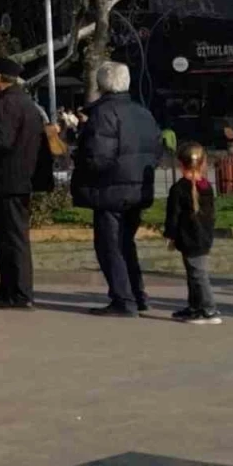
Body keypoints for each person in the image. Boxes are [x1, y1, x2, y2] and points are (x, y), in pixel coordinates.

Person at [71, 61, 161, 318]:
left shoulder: (103, 114)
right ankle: (137, 294)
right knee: (125, 243)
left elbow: (98, 157)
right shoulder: (142, 112)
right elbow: (156, 150)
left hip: (110, 189)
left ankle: (123, 298)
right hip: (137, 187)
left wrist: (81, 160)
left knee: (110, 246)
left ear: (102, 84)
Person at [0, 58, 45, 310]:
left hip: (7, 180)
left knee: (11, 238)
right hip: (21, 179)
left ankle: (17, 292)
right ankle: (10, 289)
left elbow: (1, 140)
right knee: (13, 237)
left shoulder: (5, 104)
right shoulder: (26, 102)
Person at [164, 143, 222, 325]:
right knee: (194, 273)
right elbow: (212, 215)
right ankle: (195, 306)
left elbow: (173, 216)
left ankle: (209, 308)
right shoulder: (207, 186)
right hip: (204, 236)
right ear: (203, 163)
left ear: (181, 164)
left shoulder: (178, 188)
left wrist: (170, 235)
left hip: (188, 237)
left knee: (198, 274)